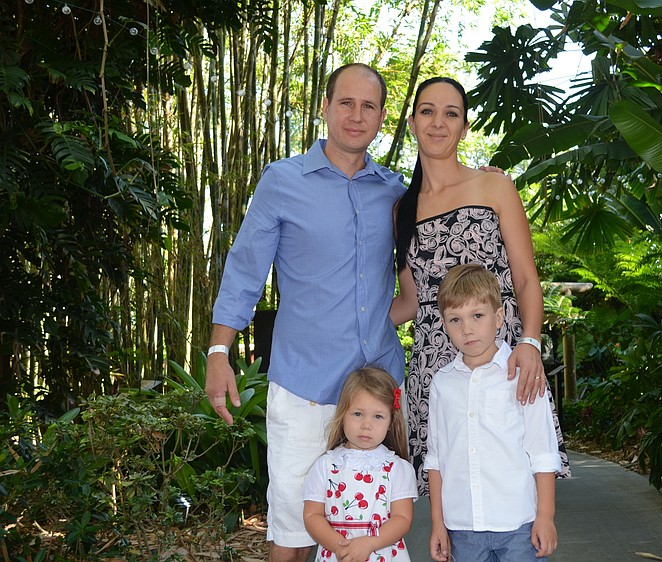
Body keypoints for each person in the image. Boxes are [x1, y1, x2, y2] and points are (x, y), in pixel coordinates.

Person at [206, 63, 407, 562]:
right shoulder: (282, 180)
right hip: (305, 390)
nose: (356, 115)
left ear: (382, 116)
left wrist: (485, 183)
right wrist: (218, 351)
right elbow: (245, 268)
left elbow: (432, 256)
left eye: (368, 106)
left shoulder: (396, 191)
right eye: (346, 103)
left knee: (372, 529)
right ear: (324, 107)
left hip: (377, 395)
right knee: (294, 528)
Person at [390, 76, 570, 494]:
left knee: (513, 492)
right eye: (427, 111)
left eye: (451, 113)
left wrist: (529, 343)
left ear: (464, 126)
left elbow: (525, 278)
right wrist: (350, 322)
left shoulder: (494, 185)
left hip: (501, 359)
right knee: (454, 505)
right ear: (413, 123)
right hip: (435, 371)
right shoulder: (401, 209)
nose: (438, 122)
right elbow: (412, 302)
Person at [426, 264, 560, 561]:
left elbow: (542, 450)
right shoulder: (442, 384)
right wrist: (438, 523)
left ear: (498, 317)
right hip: (462, 528)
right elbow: (436, 459)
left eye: (477, 316)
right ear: (444, 324)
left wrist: (545, 516)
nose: (467, 329)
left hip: (519, 526)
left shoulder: (522, 375)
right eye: (455, 319)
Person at [303, 367, 417, 562]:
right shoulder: (325, 466)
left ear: (391, 422)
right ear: (343, 414)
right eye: (357, 414)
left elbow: (402, 519)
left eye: (378, 416)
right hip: (338, 554)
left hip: (382, 552)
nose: (366, 424)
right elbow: (312, 515)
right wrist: (340, 547)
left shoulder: (398, 469)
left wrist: (370, 543)